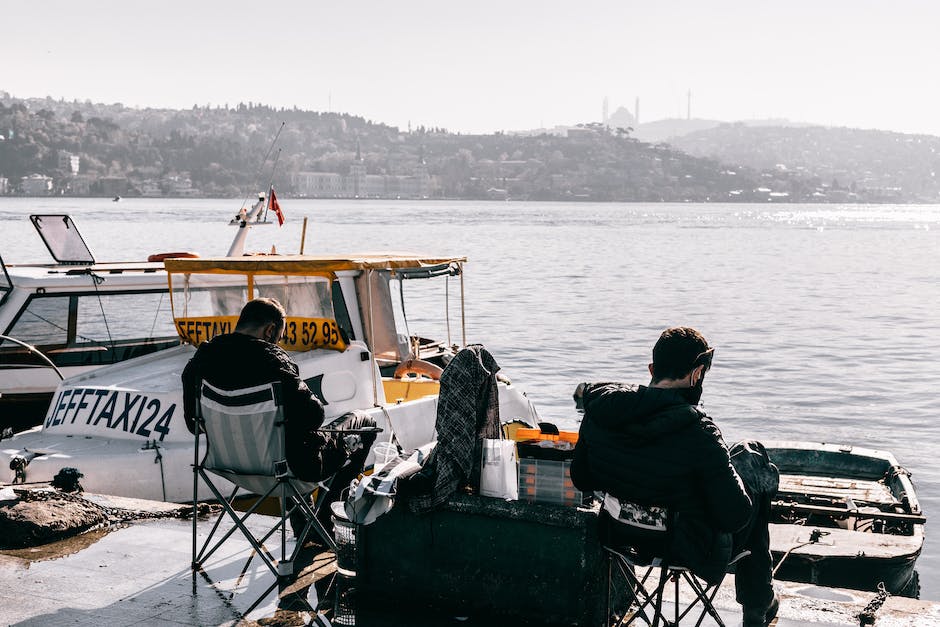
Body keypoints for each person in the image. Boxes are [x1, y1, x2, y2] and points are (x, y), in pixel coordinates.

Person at [570, 326, 779, 627]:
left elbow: (582, 477)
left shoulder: (601, 413)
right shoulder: (700, 433)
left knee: (743, 464)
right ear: (696, 375)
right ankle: (757, 606)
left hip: (619, 534)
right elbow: (735, 517)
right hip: (686, 546)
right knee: (755, 469)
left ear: (652, 369)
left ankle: (760, 603)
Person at [181, 297, 377, 533]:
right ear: (270, 330)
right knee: (365, 424)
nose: (279, 343)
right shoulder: (274, 361)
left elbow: (194, 425)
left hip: (228, 467)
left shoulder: (201, 360)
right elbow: (315, 416)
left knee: (285, 435)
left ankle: (303, 523)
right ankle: (324, 519)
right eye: (280, 337)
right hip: (288, 470)